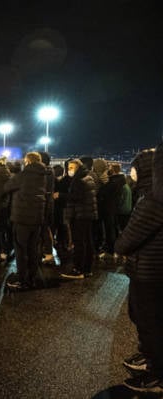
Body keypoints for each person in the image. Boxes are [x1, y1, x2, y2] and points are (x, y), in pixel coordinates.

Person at [115, 142, 163, 393]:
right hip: (153, 270)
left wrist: (119, 245)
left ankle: (156, 375)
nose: (131, 172)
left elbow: (130, 237)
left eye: (134, 168)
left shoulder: (153, 200)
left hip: (149, 271)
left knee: (149, 321)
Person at [4, 152, 46, 290]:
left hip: (22, 218)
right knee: (33, 249)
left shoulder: (23, 175)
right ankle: (32, 278)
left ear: (27, 161)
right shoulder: (44, 175)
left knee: (21, 250)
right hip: (37, 218)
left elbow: (7, 187)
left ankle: (22, 280)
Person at [60, 159, 98, 279]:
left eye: (71, 168)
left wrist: (60, 195)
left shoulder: (79, 180)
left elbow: (76, 197)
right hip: (88, 214)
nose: (69, 170)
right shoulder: (88, 177)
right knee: (87, 241)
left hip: (80, 215)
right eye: (68, 167)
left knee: (79, 242)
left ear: (78, 168)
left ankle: (78, 269)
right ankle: (87, 269)